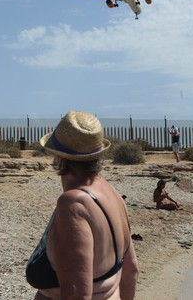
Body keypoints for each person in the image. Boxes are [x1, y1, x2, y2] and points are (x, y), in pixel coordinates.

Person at [26, 111, 138, 299]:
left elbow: (78, 294)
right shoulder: (111, 193)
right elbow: (131, 269)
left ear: (59, 158)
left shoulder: (73, 205)